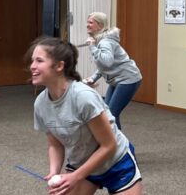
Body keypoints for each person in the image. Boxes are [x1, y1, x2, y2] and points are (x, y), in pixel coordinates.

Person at [29, 37, 143, 195]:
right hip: (82, 162)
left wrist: (75, 176)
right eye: (32, 60)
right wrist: (54, 172)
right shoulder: (41, 104)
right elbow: (55, 145)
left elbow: (109, 145)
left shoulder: (83, 97)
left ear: (59, 66)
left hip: (116, 163)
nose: (32, 66)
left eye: (39, 61)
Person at [82, 12, 142, 130]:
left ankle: (121, 146)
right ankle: (117, 143)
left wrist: (92, 47)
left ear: (100, 26)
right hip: (117, 80)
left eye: (90, 22)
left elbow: (106, 62)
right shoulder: (101, 40)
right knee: (107, 113)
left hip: (128, 79)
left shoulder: (105, 42)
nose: (87, 25)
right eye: (87, 22)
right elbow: (105, 66)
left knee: (111, 115)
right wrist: (93, 78)